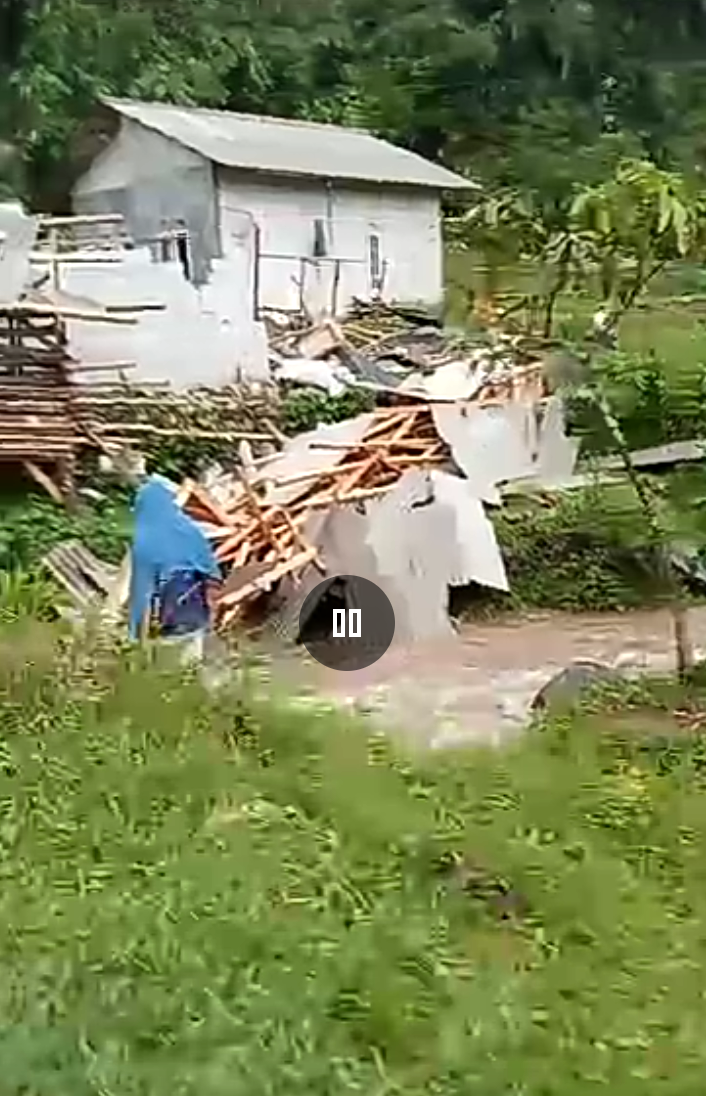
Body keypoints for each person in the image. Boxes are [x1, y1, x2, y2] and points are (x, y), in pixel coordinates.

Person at [128, 474, 222, 661]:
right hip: (194, 608)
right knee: (191, 662)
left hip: (166, 614)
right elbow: (212, 575)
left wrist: (134, 632)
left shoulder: (145, 540)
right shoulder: (191, 530)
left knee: (170, 669)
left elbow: (141, 589)